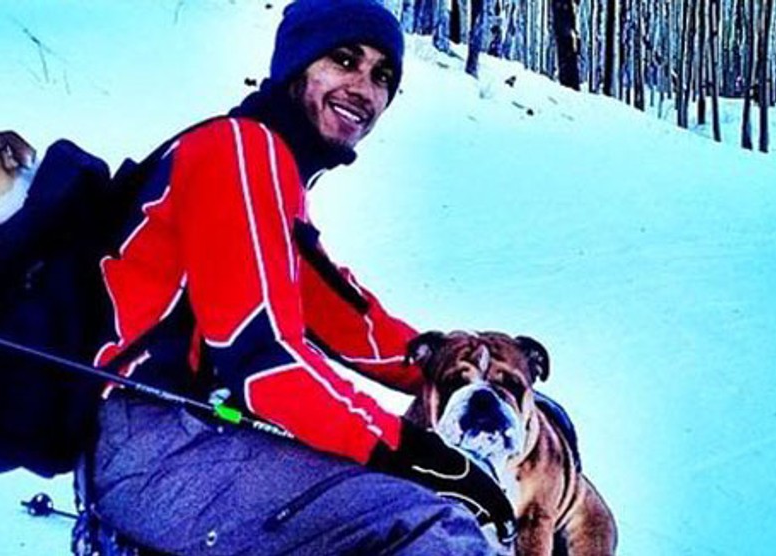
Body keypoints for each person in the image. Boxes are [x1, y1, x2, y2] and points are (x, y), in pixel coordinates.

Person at [91, 1, 514, 553]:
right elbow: (265, 360)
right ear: (297, 64)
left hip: (190, 430)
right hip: (156, 439)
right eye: (345, 60)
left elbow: (339, 313)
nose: (364, 89)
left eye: (382, 76)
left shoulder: (274, 174)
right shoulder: (237, 152)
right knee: (431, 525)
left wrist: (457, 366)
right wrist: (415, 453)